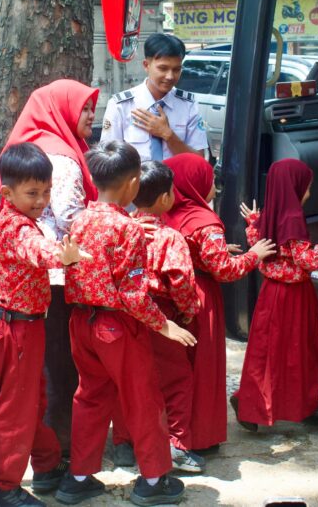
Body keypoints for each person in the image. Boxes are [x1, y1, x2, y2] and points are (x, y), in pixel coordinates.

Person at [56, 141, 195, 507]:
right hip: (117, 326)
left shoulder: (80, 219)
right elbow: (133, 294)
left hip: (81, 322)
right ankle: (152, 480)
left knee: (90, 396)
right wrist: (164, 324)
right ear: (133, 183)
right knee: (143, 400)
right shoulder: (127, 229)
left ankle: (79, 477)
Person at [0, 143, 88, 507]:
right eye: (32, 193)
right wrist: (61, 256)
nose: (41, 199)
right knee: (16, 410)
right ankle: (1, 486)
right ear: (7, 193)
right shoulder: (20, 229)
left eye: (47, 191)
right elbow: (36, 250)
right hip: (17, 329)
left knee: (33, 401)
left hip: (26, 328)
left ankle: (47, 466)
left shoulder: (7, 221)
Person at [0, 79, 98, 453]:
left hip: (28, 284)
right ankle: (58, 452)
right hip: (55, 276)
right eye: (84, 108)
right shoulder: (60, 158)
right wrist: (114, 221)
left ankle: (45, 453)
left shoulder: (33, 146)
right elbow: (68, 216)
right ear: (61, 109)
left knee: (38, 373)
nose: (91, 116)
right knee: (57, 370)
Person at [161, 154, 275, 452]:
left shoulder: (166, 212)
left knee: (175, 369)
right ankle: (198, 437)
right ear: (195, 182)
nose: (215, 186)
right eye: (210, 179)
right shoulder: (205, 221)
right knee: (202, 368)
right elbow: (223, 270)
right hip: (200, 296)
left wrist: (220, 249)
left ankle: (170, 433)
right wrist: (254, 255)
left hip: (171, 295)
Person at [233, 159, 318, 429]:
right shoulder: (293, 220)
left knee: (265, 352)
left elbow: (257, 241)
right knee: (298, 352)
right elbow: (309, 260)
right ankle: (301, 402)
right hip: (294, 297)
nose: (309, 192)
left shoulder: (270, 214)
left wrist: (253, 221)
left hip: (270, 294)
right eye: (307, 187)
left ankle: (250, 403)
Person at [111, 161, 203, 474]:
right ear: (165, 198)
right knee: (176, 380)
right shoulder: (169, 237)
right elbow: (180, 281)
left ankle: (124, 443)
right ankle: (175, 445)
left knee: (129, 380)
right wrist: (189, 313)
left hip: (124, 312)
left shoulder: (119, 226)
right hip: (163, 316)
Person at [100, 33, 207, 162]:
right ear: (146, 65)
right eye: (163, 68)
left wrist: (167, 134)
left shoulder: (188, 106)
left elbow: (198, 162)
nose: (170, 76)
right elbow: (108, 159)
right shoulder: (121, 106)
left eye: (176, 69)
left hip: (176, 181)